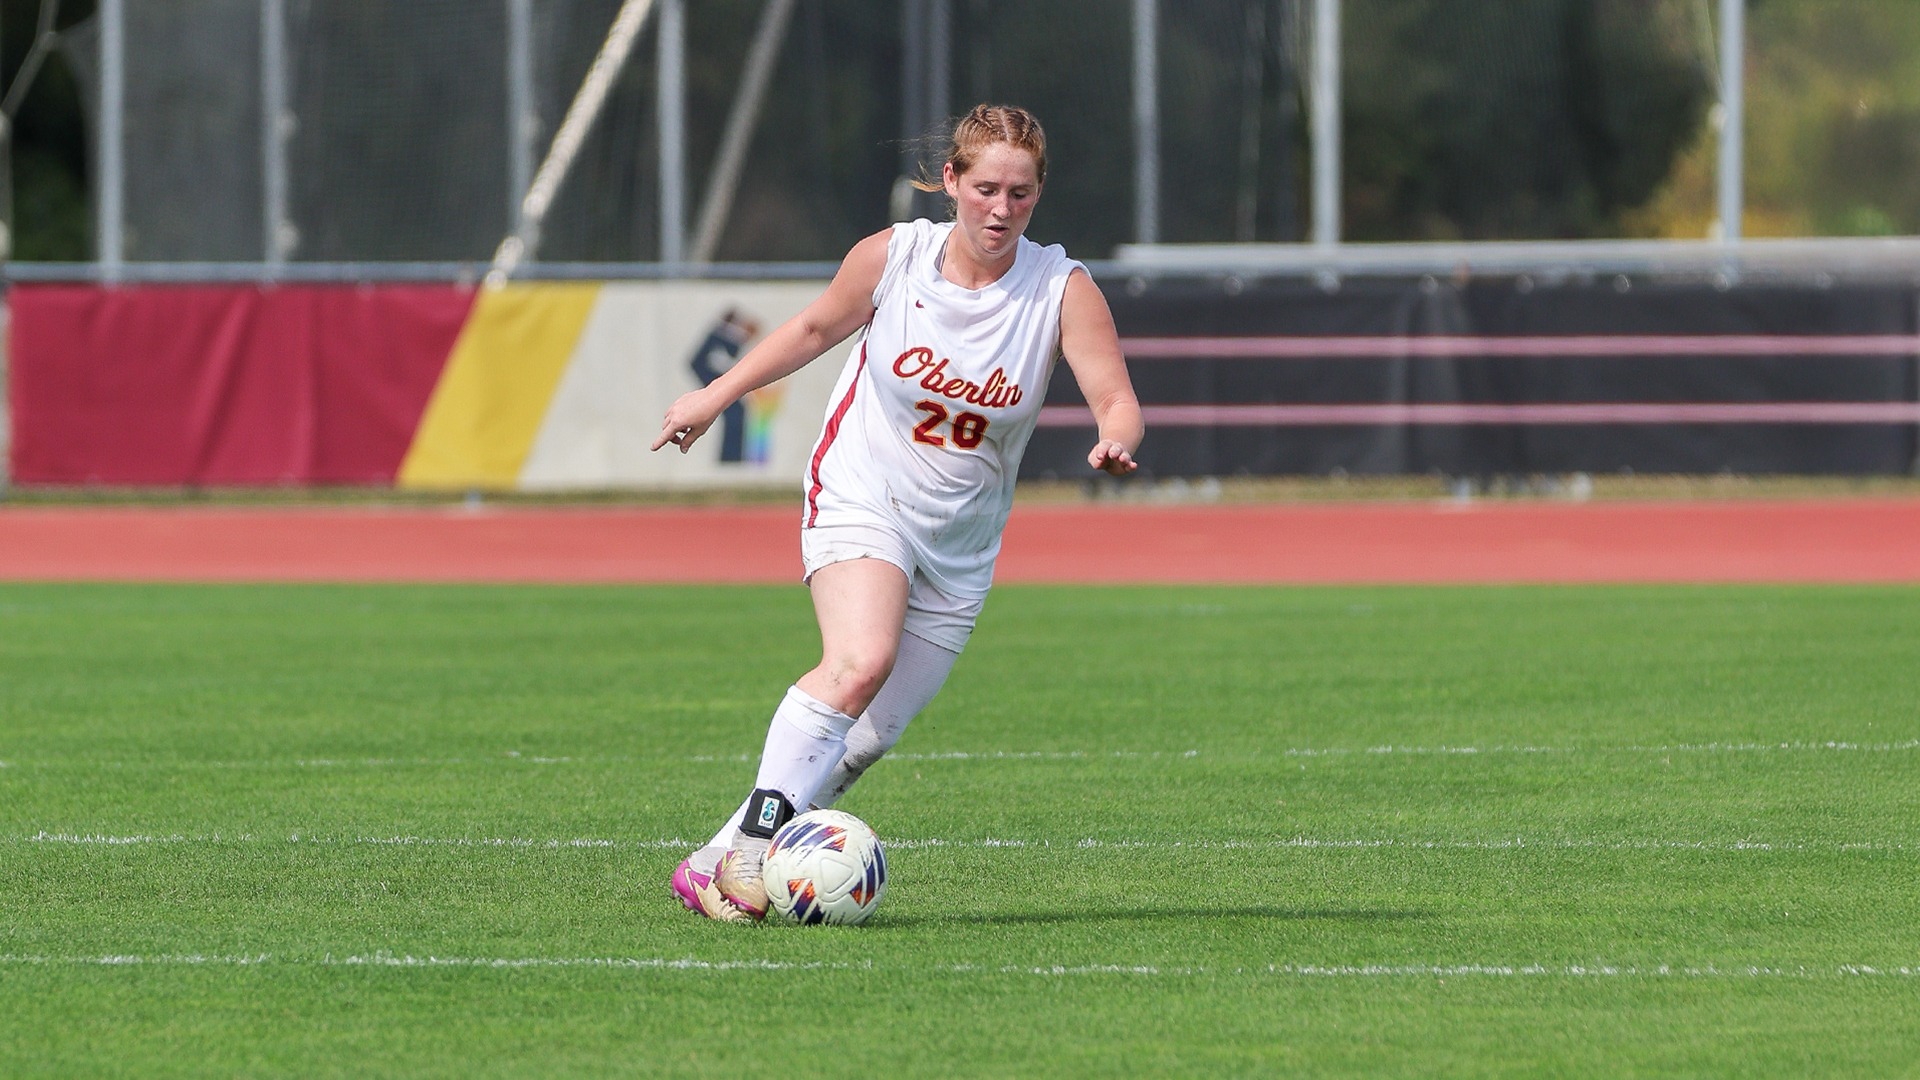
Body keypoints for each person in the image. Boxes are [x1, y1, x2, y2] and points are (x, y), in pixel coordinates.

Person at [650, 104, 1143, 922]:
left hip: (963, 539)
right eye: (985, 187)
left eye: (1020, 194)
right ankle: (748, 853)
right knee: (858, 660)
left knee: (870, 735)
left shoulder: (1061, 288)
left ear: (1038, 194)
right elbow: (811, 329)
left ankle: (708, 861)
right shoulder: (896, 257)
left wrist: (1113, 439)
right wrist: (714, 395)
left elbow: (1115, 396)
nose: (1000, 209)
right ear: (951, 181)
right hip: (862, 490)